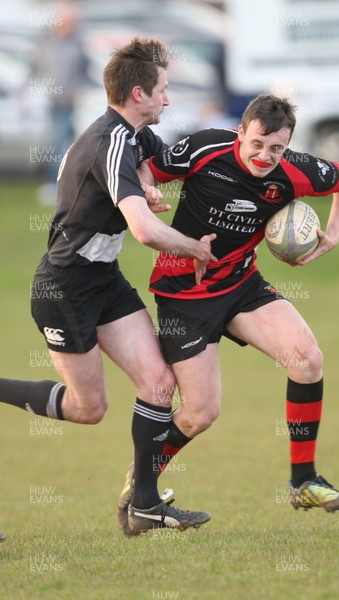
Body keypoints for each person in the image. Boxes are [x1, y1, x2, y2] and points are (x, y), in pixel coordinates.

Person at [0, 38, 217, 534]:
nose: (168, 99)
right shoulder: (110, 140)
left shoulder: (137, 138)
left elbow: (161, 167)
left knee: (160, 385)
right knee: (88, 408)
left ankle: (144, 506)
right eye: (162, 91)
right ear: (138, 93)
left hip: (104, 281)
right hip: (64, 287)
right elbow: (142, 231)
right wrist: (193, 247)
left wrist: (151, 183)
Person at [118, 93, 339, 533]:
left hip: (241, 284)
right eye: (257, 144)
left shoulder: (294, 171)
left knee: (306, 360)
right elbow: (145, 170)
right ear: (241, 133)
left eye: (277, 149)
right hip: (183, 293)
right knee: (200, 413)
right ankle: (142, 488)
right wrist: (149, 191)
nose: (265, 156)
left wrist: (335, 236)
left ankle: (304, 480)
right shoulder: (205, 146)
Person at [33, 1, 90, 204]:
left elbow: (85, 73)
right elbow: (37, 70)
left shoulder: (77, 45)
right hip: (52, 103)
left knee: (70, 144)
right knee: (58, 142)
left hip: (71, 103)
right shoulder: (47, 44)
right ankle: (54, 183)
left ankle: (68, 184)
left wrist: (79, 91)